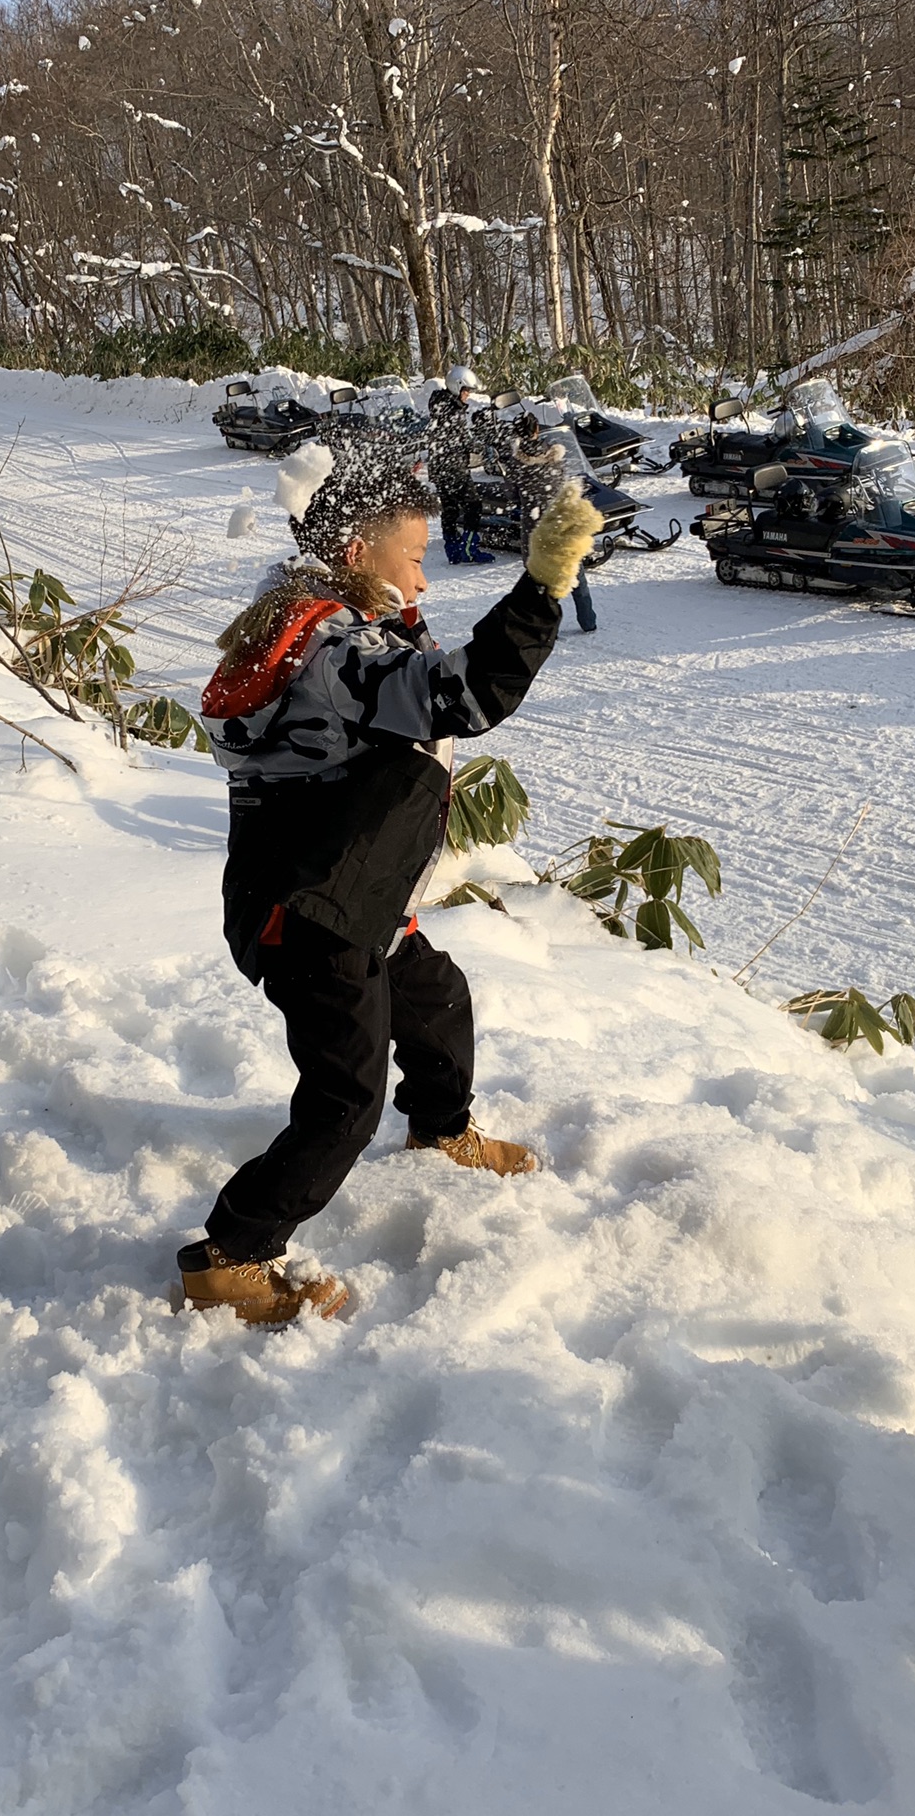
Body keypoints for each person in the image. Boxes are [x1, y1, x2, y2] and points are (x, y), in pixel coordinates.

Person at [182, 447, 603, 1325]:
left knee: (436, 998)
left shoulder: (328, 622)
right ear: (358, 549)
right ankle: (232, 1253)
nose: (423, 571)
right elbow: (460, 696)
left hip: (353, 895)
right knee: (344, 1098)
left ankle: (440, 1126)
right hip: (308, 912)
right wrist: (540, 587)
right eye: (413, 554)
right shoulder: (333, 642)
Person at [512, 413, 598, 633]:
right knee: (576, 574)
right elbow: (564, 484)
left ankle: (548, 628)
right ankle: (588, 621)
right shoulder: (554, 454)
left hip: (534, 529)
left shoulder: (516, 462)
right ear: (537, 430)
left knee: (540, 582)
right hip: (558, 523)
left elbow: (514, 494)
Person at [427, 364, 493, 565]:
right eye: (466, 391)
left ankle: (453, 550)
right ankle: (469, 549)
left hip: (439, 468)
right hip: (453, 467)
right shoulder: (453, 412)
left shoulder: (439, 405)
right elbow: (463, 440)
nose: (468, 395)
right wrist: (484, 448)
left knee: (450, 509)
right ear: (457, 387)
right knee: (473, 505)